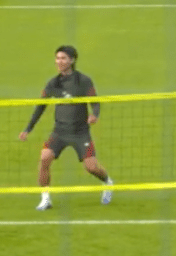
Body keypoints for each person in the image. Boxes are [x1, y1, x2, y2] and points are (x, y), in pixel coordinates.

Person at [18, 45, 112, 211]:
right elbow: (40, 106)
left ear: (72, 60)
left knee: (91, 167)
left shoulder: (83, 81)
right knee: (45, 158)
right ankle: (45, 199)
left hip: (80, 133)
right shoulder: (53, 83)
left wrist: (94, 115)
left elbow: (95, 101)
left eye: (63, 58)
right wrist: (28, 129)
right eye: (57, 58)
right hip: (59, 132)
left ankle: (107, 182)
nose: (59, 61)